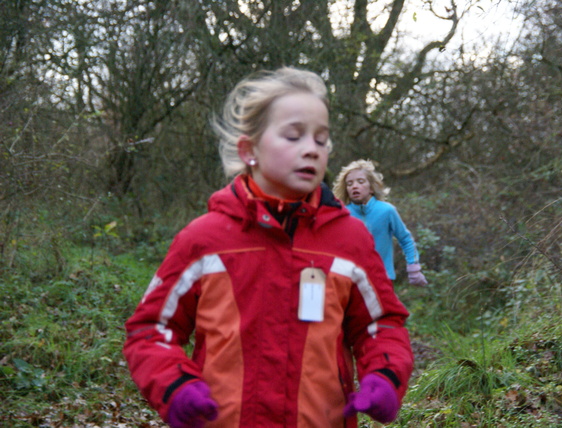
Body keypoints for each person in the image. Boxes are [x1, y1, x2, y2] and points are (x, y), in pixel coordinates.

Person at [123, 67, 414, 428]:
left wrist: (385, 376)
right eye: (293, 136)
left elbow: (382, 325)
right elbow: (151, 330)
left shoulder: (350, 241)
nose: (311, 148)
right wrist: (175, 386)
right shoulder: (204, 239)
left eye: (321, 140)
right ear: (250, 150)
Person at [333, 159, 428, 287]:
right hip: (351, 281)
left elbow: (406, 239)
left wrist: (414, 269)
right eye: (349, 184)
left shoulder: (386, 211)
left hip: (383, 279)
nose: (354, 186)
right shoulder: (342, 214)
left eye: (360, 182)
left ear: (371, 188)